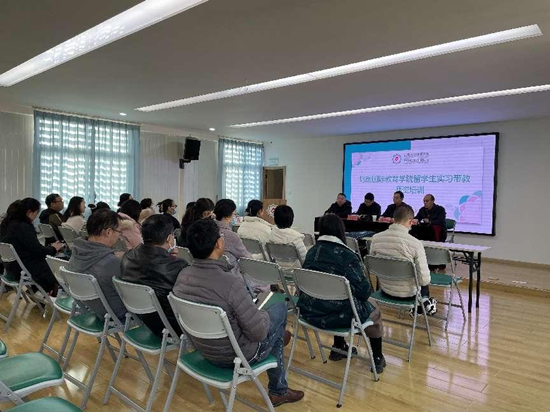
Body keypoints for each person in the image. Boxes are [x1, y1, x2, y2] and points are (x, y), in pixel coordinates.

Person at [173, 219, 304, 407]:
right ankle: (278, 390)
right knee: (279, 307)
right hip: (238, 355)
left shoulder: (182, 277)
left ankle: (278, 351)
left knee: (267, 323)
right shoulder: (230, 283)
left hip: (203, 349)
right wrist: (262, 314)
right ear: (218, 244)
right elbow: (258, 333)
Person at [297, 214, 385, 372]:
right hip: (340, 315)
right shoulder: (348, 255)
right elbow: (365, 292)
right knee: (374, 309)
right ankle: (377, 357)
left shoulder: (311, 252)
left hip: (311, 310)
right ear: (341, 231)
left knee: (337, 297)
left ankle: (338, 346)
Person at [120, 214, 187, 337]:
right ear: (169, 238)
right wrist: (173, 260)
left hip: (143, 319)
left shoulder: (128, 256)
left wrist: (167, 257)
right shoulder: (177, 266)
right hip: (171, 326)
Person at [370, 205, 437, 315]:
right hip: (409, 295)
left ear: (394, 219)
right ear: (410, 221)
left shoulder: (376, 239)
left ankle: (424, 304)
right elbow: (424, 281)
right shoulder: (416, 244)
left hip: (385, 290)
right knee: (423, 277)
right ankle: (423, 304)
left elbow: (373, 267)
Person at [67, 209, 126, 321]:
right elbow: (128, 294)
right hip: (115, 314)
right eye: (119, 232)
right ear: (108, 232)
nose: (120, 236)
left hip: (91, 307)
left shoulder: (77, 250)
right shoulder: (110, 262)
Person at [0, 198, 64, 295]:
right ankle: (51, 292)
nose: (36, 217)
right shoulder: (23, 227)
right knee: (54, 264)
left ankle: (38, 291)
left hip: (10, 267)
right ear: (29, 212)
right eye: (36, 213)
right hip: (24, 268)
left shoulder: (7, 224)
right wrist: (54, 248)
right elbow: (38, 251)